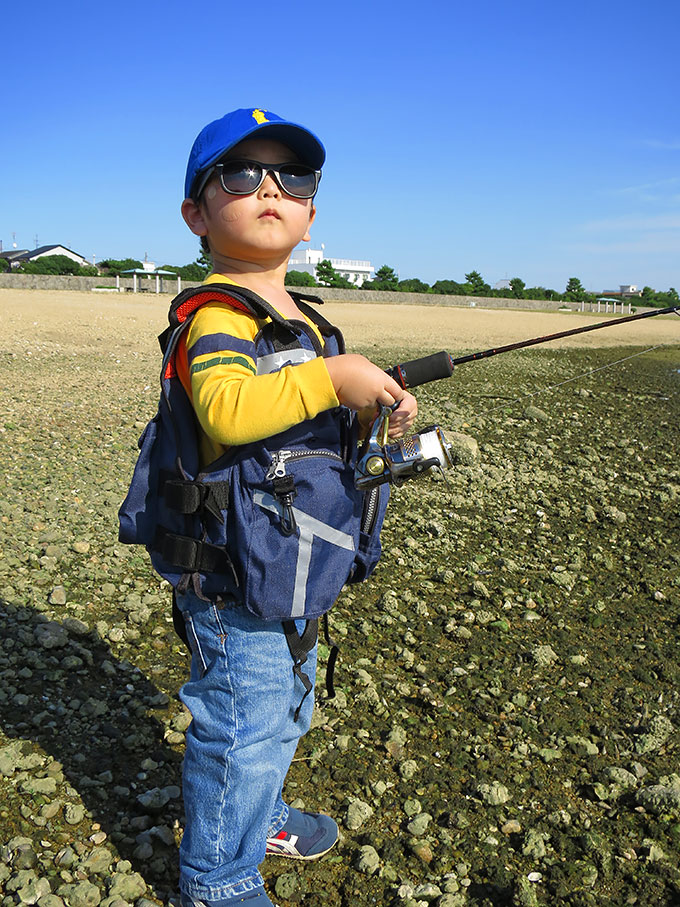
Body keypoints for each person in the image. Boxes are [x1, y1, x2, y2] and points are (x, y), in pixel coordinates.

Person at [172, 108, 417, 906]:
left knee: (286, 710)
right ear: (197, 214)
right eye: (240, 174)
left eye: (293, 177)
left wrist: (366, 409)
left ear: (312, 213)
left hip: (298, 557)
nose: (269, 187)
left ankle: (260, 813)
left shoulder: (309, 321)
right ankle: (216, 878)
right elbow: (228, 412)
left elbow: (302, 427)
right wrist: (333, 378)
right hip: (235, 575)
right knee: (239, 727)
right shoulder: (215, 316)